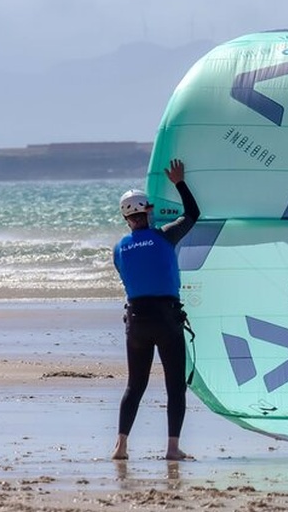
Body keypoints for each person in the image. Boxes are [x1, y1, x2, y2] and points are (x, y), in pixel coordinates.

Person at [111, 158, 200, 460]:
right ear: (148, 211)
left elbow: (130, 276)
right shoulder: (164, 236)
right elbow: (193, 214)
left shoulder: (119, 248)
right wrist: (179, 182)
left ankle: (121, 446)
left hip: (136, 321)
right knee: (175, 387)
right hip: (166, 319)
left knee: (134, 386)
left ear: (126, 218)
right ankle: (172, 449)